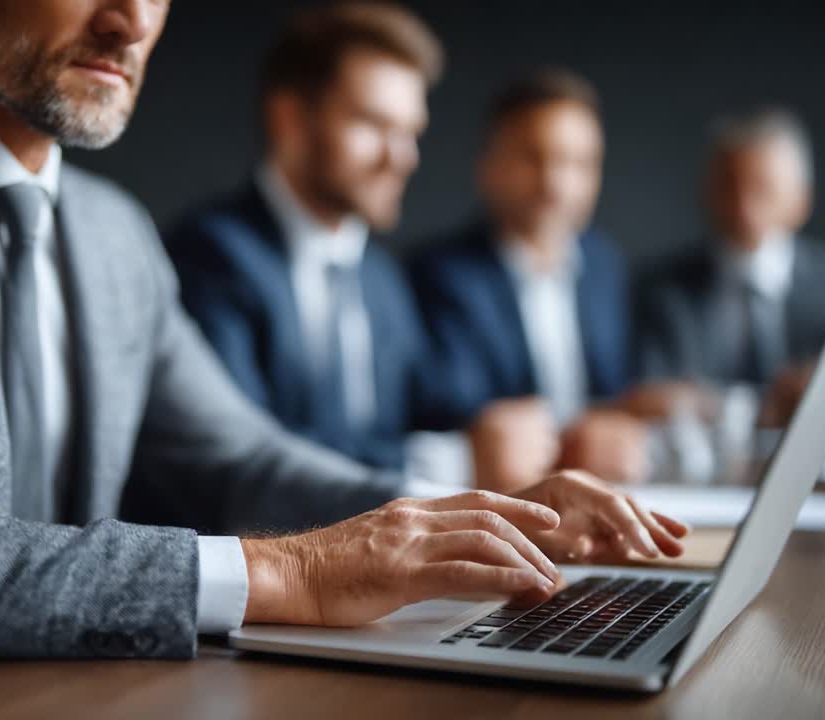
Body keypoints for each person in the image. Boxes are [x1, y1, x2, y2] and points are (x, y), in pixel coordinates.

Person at [0, 1, 686, 712]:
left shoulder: (114, 235)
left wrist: (480, 524)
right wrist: (290, 571)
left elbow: (244, 462)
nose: (131, 21)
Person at [165, 3, 542, 483]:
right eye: (373, 125)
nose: (403, 158)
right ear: (290, 120)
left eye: (410, 133)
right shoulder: (210, 255)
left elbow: (429, 402)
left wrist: (518, 432)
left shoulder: (378, 274)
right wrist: (451, 460)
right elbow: (243, 455)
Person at [410, 69, 680, 488]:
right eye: (533, 158)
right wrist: (572, 440)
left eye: (578, 163)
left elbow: (617, 388)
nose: (556, 183)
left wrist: (634, 414)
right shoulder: (439, 276)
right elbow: (461, 411)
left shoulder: (604, 267)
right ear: (490, 166)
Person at [636, 108, 825, 425]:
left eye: (762, 190)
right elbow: (646, 395)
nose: (744, 207)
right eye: (729, 187)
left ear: (801, 199)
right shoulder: (666, 289)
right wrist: (754, 406)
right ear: (705, 192)